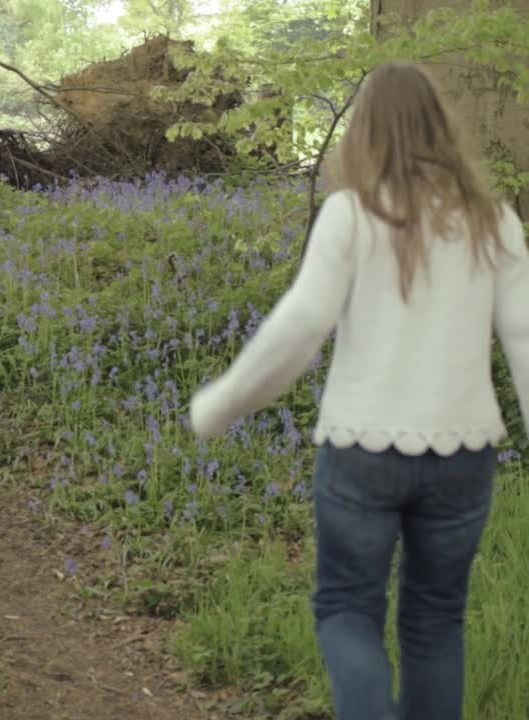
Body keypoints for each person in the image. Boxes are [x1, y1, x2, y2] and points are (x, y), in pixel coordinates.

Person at [188, 60, 528, 720]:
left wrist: (221, 403)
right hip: (464, 455)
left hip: (359, 452)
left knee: (347, 609)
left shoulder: (351, 215)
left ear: (364, 133)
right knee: (436, 623)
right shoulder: (496, 222)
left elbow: (301, 326)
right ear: (442, 128)